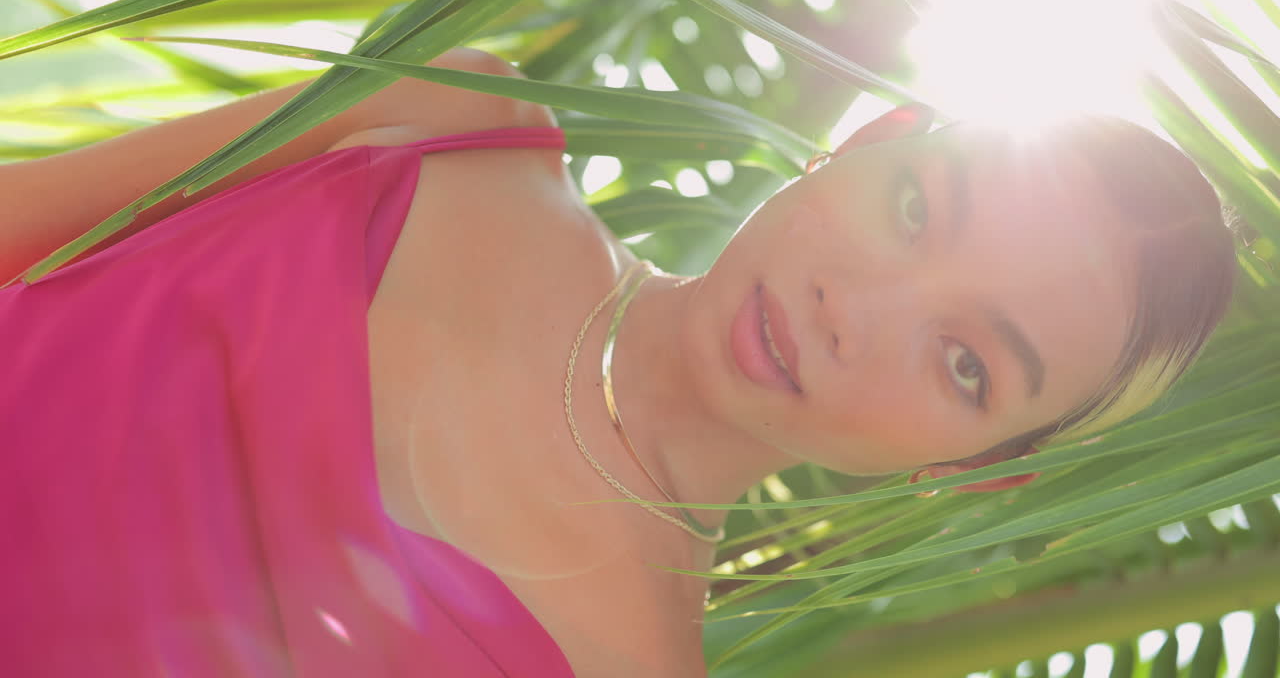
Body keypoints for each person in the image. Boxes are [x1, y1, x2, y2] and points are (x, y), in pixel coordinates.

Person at [0, 47, 1236, 677]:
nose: (857, 306)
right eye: (915, 210)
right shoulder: (453, 124)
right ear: (869, 137)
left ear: (972, 475)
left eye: (966, 365)